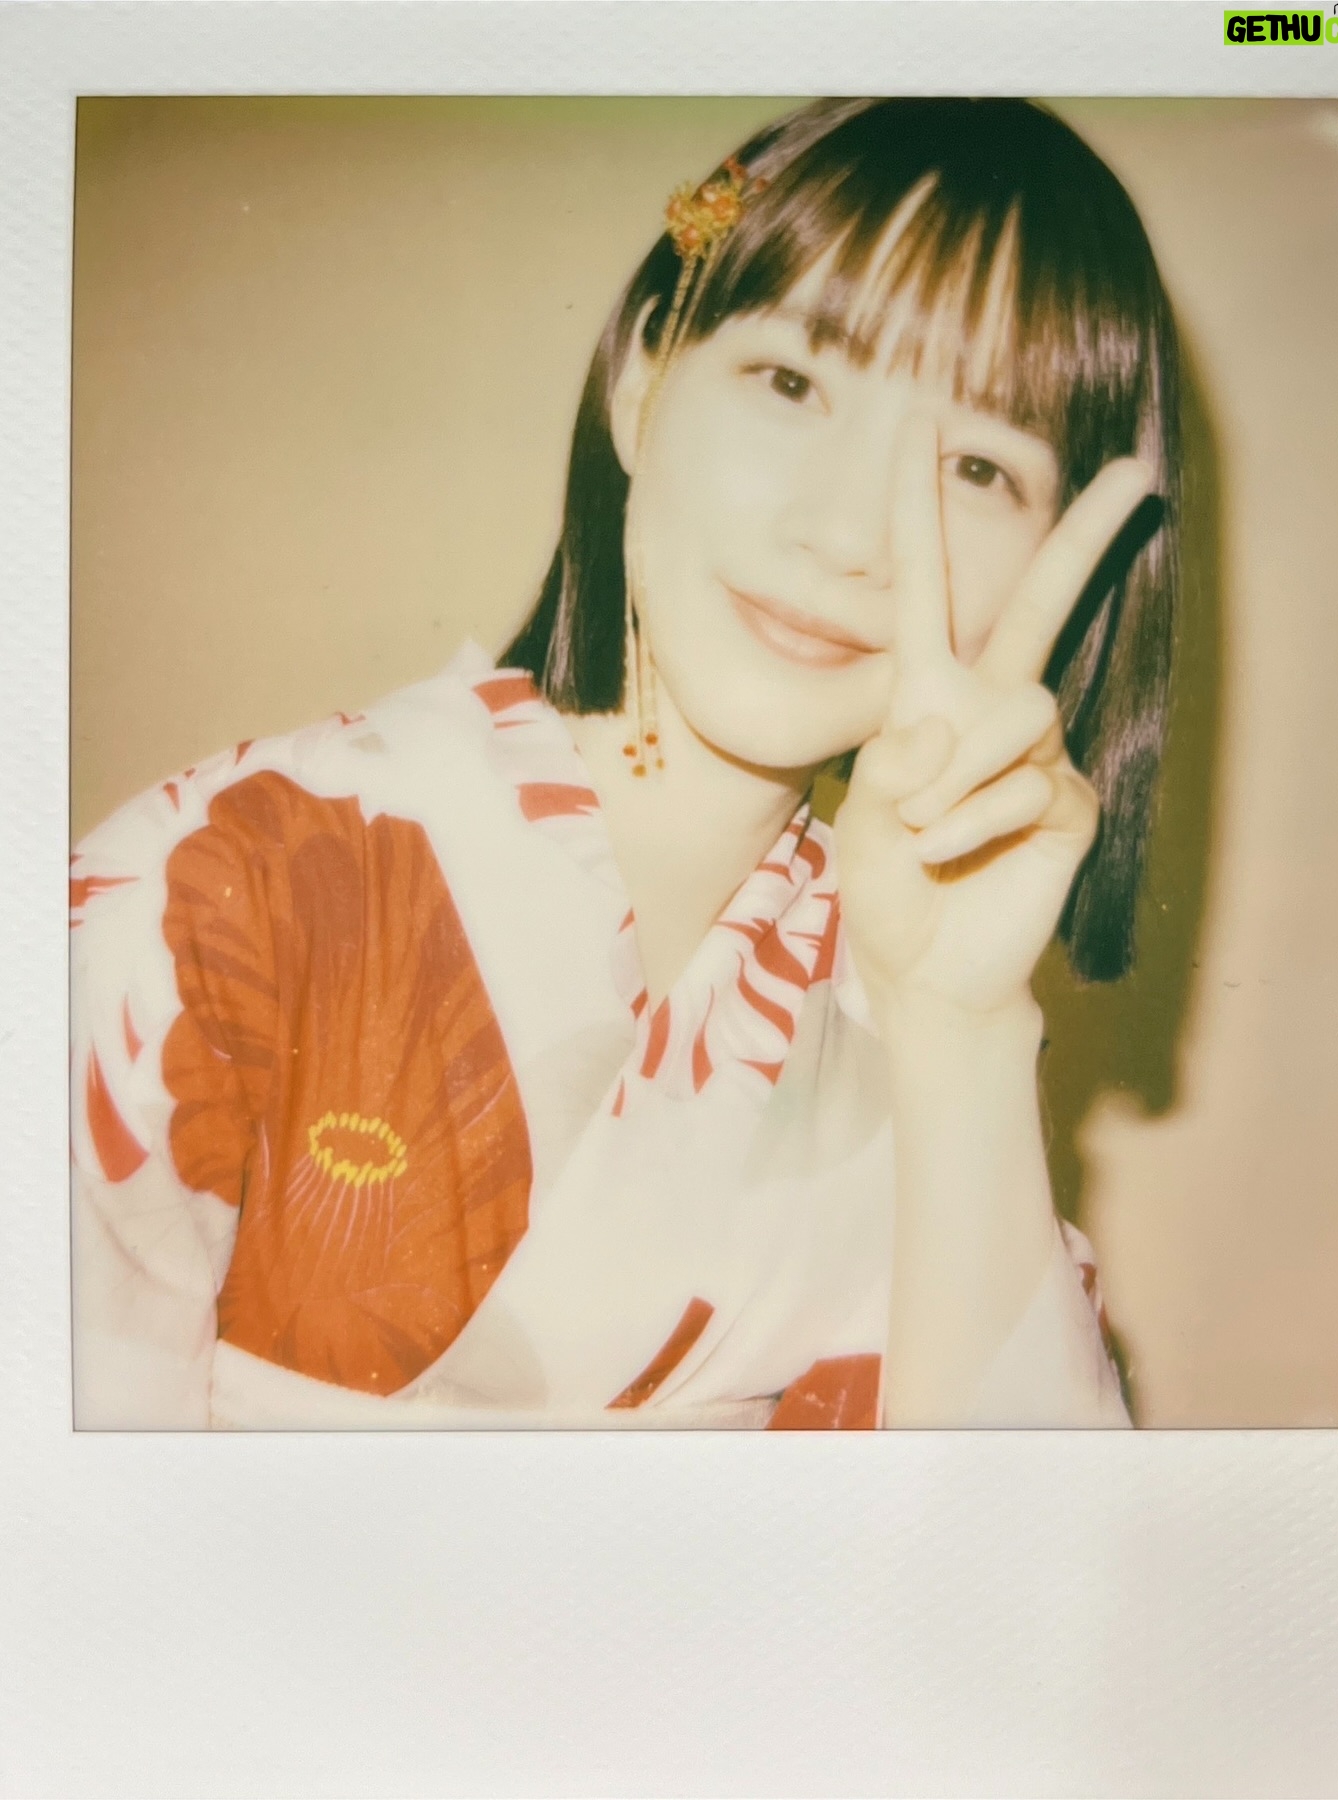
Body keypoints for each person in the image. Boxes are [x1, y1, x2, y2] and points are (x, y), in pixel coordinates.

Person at [69, 97, 1180, 1430]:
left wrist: (963, 1033)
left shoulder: (912, 999)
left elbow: (1034, 1554)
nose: (849, 534)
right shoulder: (210, 897)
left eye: (980, 469)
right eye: (792, 384)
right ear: (644, 381)